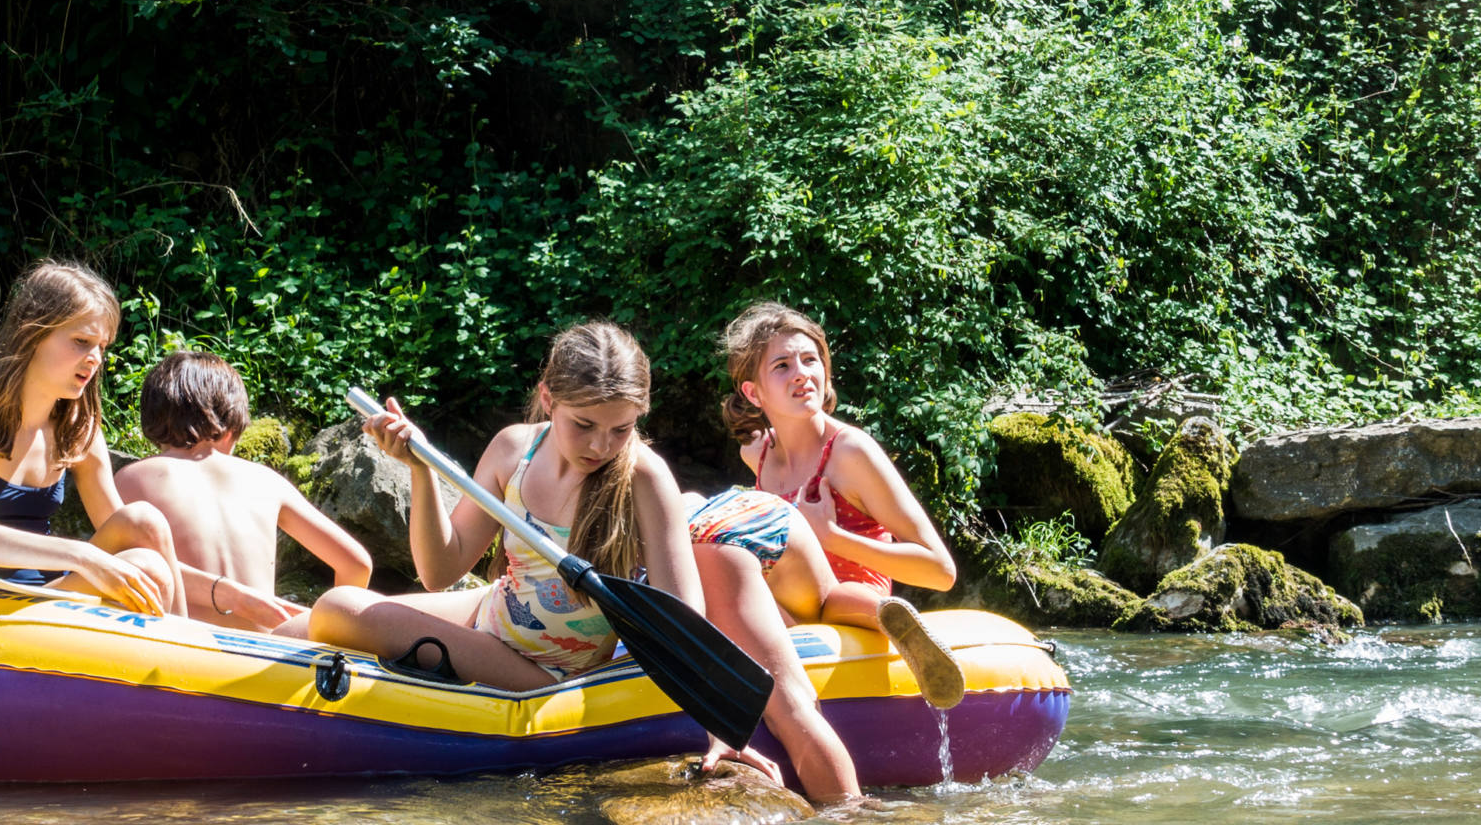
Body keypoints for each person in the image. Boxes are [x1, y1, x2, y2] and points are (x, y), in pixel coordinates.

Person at [310, 322, 719, 695]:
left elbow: (683, 625)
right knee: (302, 625)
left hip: (548, 674)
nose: (601, 446)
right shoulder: (514, 450)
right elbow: (439, 572)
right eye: (583, 425)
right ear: (548, 398)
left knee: (339, 608)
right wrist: (422, 470)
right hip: (494, 614)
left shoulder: (644, 478)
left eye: (621, 429)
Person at [706, 299, 962, 701]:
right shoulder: (756, 454)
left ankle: (894, 624)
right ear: (753, 393)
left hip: (850, 600)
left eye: (811, 360)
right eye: (782, 366)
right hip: (787, 606)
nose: (802, 375)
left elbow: (941, 572)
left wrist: (833, 536)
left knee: (831, 597)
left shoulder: (849, 453)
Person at [0, 260, 184, 614]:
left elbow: (147, 539)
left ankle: (192, 643)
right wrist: (82, 555)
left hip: (49, 598)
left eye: (101, 347)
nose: (95, 359)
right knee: (145, 567)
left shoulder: (78, 428)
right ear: (33, 333)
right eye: (81, 342)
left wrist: (226, 592)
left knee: (143, 521)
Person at [113, 350, 371, 634]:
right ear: (232, 425)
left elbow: (120, 567)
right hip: (261, 654)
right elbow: (356, 564)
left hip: (185, 648)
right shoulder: (265, 481)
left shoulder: (132, 478)